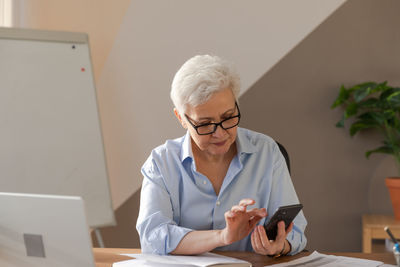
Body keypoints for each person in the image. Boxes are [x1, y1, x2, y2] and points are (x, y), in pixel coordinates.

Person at [136, 55, 307, 256]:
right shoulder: (160, 163)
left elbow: (295, 232)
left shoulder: (267, 152)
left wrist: (280, 246)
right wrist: (222, 236)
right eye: (205, 124)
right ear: (181, 118)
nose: (220, 133)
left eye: (228, 117)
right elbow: (153, 236)